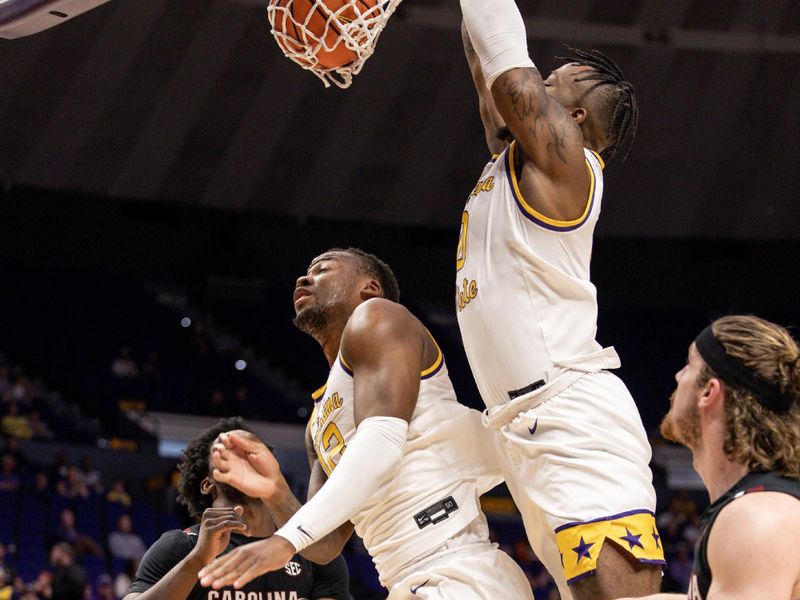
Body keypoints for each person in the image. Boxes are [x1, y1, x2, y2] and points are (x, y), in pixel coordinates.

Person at [456, 2, 663, 598]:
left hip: (569, 411)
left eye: (550, 85)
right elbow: (485, 62)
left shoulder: (572, 167)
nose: (534, 84)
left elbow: (507, 68)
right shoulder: (518, 163)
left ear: (571, 119)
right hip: (521, 422)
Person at [197, 248, 533, 599]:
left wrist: (286, 540)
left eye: (324, 269)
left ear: (370, 288)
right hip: (406, 581)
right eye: (307, 271)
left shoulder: (380, 316)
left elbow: (381, 443)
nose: (304, 278)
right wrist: (276, 491)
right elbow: (325, 544)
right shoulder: (319, 420)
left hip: (458, 569)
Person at [619, 315, 800, 600]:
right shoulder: (763, 506)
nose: (678, 376)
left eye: (689, 365)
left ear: (708, 391)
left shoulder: (756, 519)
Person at [123, 416, 350, 600]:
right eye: (226, 453)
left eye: (250, 452)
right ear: (207, 483)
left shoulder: (312, 549)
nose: (242, 458)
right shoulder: (179, 546)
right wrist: (197, 560)